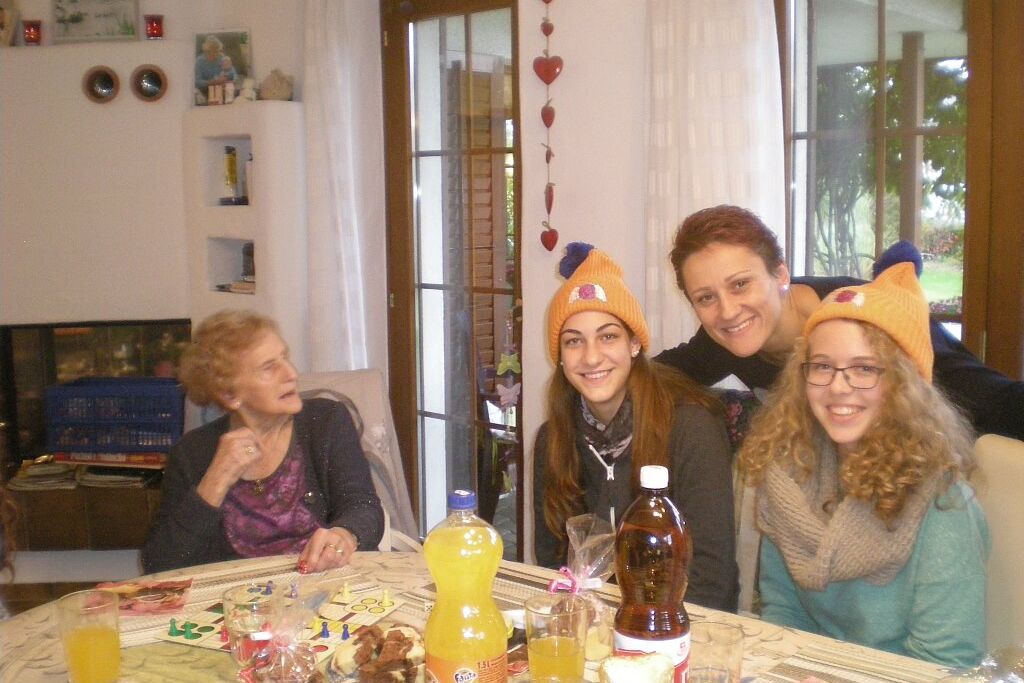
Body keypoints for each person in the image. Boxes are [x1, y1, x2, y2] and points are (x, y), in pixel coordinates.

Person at [738, 263, 988, 667]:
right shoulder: (788, 477)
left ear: (905, 384)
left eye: (865, 369)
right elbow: (783, 615)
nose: (839, 386)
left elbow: (947, 664)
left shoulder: (945, 507)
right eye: (823, 366)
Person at [656, 204, 1024, 440]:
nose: (727, 311)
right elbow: (653, 374)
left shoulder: (868, 316)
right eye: (705, 297)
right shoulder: (723, 339)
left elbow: (992, 399)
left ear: (780, 275)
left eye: (740, 284)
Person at [533, 243, 739, 612]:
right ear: (560, 358)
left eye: (608, 336)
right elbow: (553, 564)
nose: (591, 357)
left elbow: (713, 581)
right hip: (589, 625)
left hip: (675, 626)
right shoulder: (553, 439)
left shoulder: (692, 429)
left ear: (633, 344)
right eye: (574, 341)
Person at [142, 310, 384, 574]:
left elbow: (364, 507)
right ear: (230, 394)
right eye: (269, 367)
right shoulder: (191, 453)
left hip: (328, 584)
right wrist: (215, 480)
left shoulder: (326, 421)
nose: (291, 373)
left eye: (284, 357)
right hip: (239, 595)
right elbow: (160, 564)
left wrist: (344, 535)